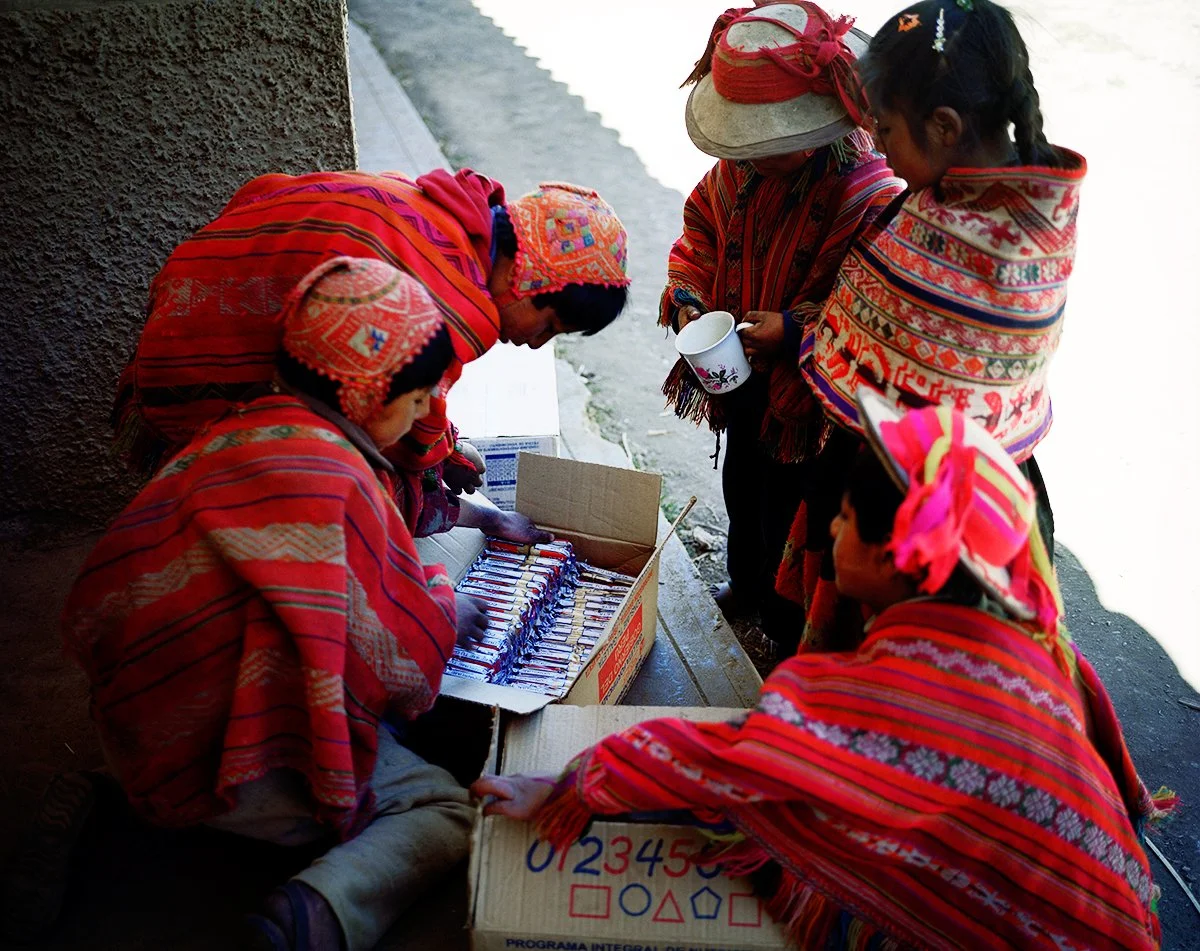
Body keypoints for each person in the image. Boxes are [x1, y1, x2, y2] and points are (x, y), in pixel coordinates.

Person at [472, 392, 1169, 950]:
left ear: (902, 556)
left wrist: (579, 781)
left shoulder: (905, 688)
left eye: (843, 518)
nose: (829, 531)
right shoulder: (1023, 646)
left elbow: (740, 759)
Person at [58, 258, 491, 951]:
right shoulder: (342, 481)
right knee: (447, 807)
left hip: (137, 730)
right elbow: (404, 666)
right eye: (414, 402)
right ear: (366, 397)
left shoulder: (231, 430)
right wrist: (444, 608)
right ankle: (313, 913)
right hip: (241, 770)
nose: (421, 417)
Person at [776, 0, 1083, 651]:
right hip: (980, 484)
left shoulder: (993, 241)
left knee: (895, 655)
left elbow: (891, 362)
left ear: (944, 125)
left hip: (915, 517)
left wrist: (803, 337)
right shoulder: (1015, 199)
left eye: (883, 129)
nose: (876, 146)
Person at [113, 168, 629, 543]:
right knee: (371, 491)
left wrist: (443, 450)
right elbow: (401, 443)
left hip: (185, 313)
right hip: (199, 374)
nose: (538, 343)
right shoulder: (448, 308)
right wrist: (477, 513)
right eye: (550, 325)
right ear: (528, 279)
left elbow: (261, 192)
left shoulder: (432, 210)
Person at [659, 1, 902, 652]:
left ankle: (784, 626)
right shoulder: (742, 167)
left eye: (769, 147)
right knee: (741, 488)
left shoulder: (868, 192)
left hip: (811, 406)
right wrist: (687, 298)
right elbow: (702, 229)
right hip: (745, 384)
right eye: (746, 146)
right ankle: (747, 586)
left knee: (792, 517)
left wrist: (794, 334)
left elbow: (872, 315)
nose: (751, 160)